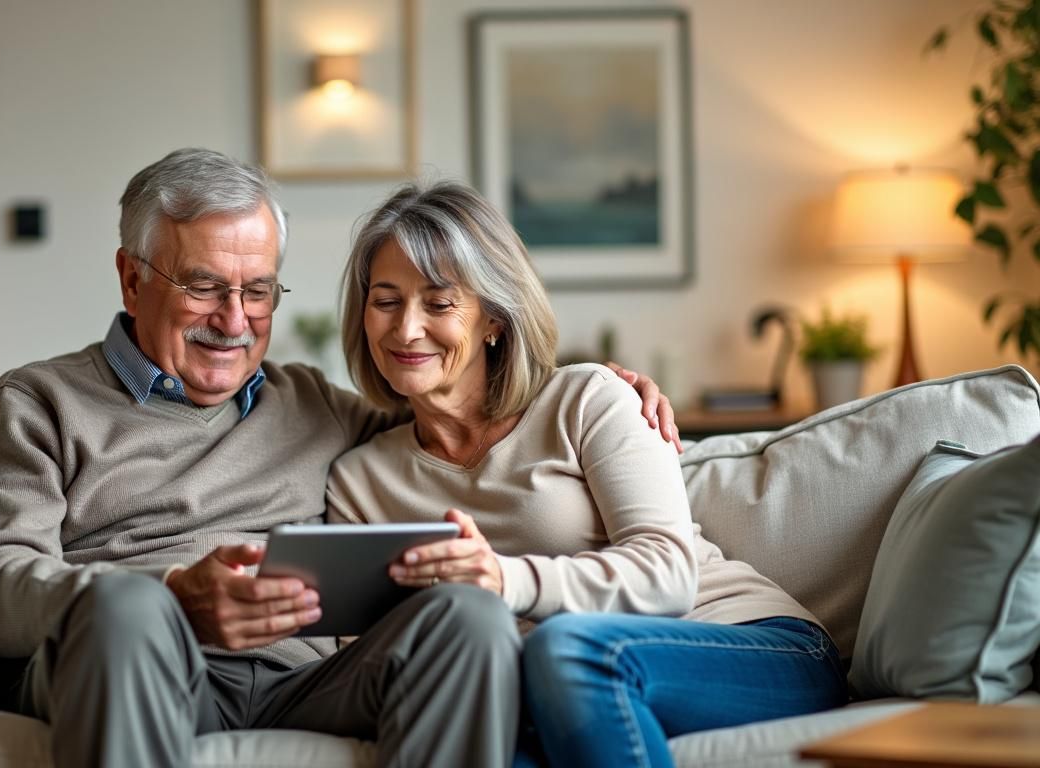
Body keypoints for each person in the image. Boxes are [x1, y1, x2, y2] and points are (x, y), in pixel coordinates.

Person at [0, 148, 675, 768]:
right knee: (128, 608)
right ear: (132, 279)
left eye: (257, 290)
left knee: (465, 617)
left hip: (306, 678)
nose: (234, 321)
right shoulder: (37, 402)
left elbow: (454, 406)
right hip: (131, 656)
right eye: (203, 286)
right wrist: (169, 593)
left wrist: (580, 389)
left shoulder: (316, 405)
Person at [326, 181, 848, 768]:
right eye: (386, 300)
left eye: (439, 303)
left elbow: (669, 573)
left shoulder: (586, 398)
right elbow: (379, 661)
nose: (406, 329)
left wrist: (504, 579)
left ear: (494, 319)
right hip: (550, 682)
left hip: (752, 645)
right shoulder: (359, 482)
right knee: (502, 735)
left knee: (566, 652)